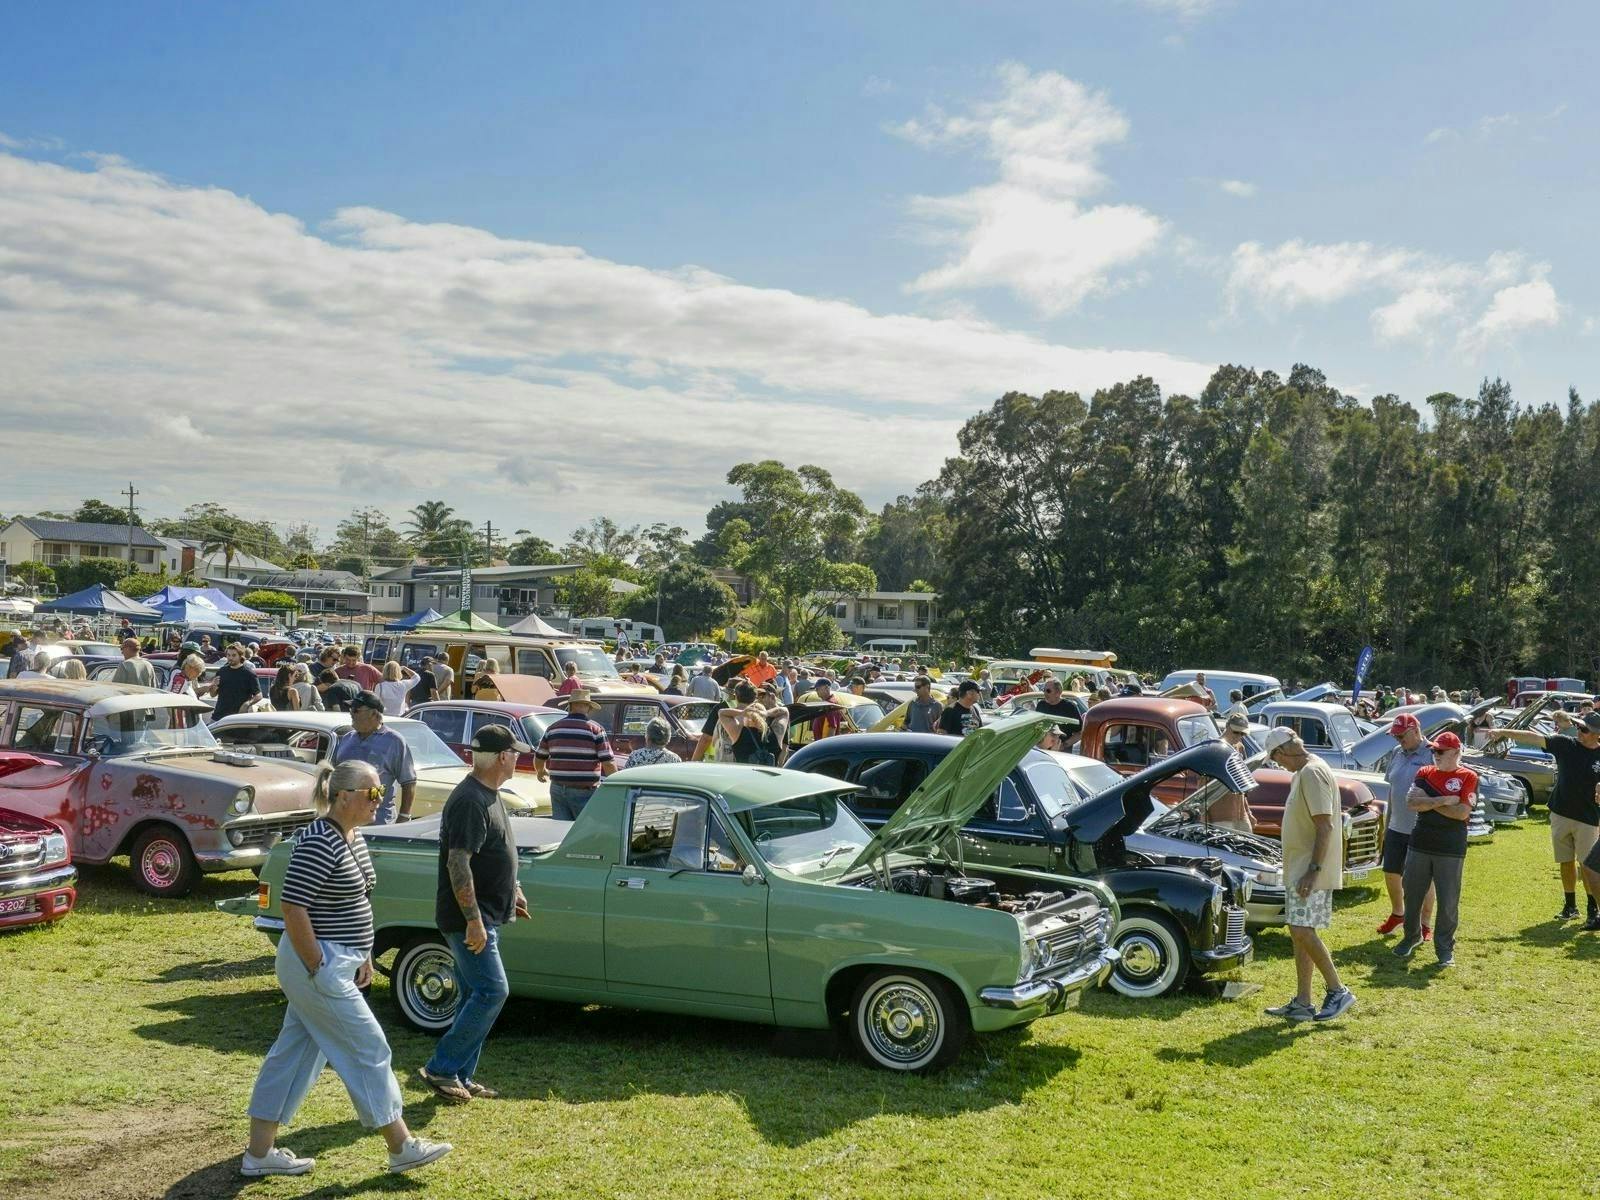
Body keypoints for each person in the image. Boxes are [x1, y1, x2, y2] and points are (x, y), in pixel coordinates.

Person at [242, 760, 452, 1178]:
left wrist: (364, 954)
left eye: (381, 791)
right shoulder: (320, 839)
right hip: (317, 962)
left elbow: (355, 903)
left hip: (337, 960)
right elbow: (292, 905)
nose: (381, 799)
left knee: (294, 1053)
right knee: (369, 1048)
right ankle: (400, 1145)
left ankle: (259, 1154)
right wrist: (318, 964)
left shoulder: (351, 836)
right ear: (343, 796)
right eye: (372, 792)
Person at [418, 725, 527, 1106]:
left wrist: (512, 890)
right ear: (501, 757)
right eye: (514, 752)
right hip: (468, 919)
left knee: (471, 994)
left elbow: (493, 852)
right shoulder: (469, 801)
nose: (518, 757)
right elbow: (458, 862)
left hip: (485, 914)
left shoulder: (489, 794)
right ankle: (442, 1067)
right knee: (492, 990)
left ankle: (461, 1075)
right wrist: (474, 920)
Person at [1261, 727, 1355, 1022]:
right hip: (1300, 867)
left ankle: (1338, 990)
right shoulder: (1304, 771)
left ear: (1285, 750)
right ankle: (1303, 1002)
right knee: (1298, 931)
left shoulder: (1312, 772)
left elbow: (1325, 826)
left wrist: (1313, 871)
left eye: (1276, 758)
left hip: (1309, 871)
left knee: (1303, 930)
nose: (1278, 764)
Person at [1492, 708, 1600, 927]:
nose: (1578, 731)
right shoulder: (1565, 744)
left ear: (1598, 734)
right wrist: (1504, 731)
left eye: (1584, 729)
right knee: (1565, 860)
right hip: (1560, 812)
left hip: (1589, 817)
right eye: (1578, 726)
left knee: (1588, 865)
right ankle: (1570, 906)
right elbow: (1533, 738)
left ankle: (1593, 908)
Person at [1393, 731, 1475, 967]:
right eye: (1433, 751)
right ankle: (1411, 936)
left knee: (1448, 900)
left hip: (1451, 846)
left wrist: (1428, 801)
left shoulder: (1468, 776)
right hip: (1421, 842)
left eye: (1441, 751)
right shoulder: (1425, 772)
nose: (1435, 755)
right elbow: (1411, 803)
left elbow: (1462, 813)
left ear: (1456, 752)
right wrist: (1445, 799)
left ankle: (1444, 947)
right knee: (1412, 893)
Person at [1376, 713, 1436, 938]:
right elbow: (1392, 790)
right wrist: (1387, 822)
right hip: (1396, 826)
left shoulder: (1432, 753)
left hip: (1421, 828)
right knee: (1391, 871)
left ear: (1416, 730)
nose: (1398, 739)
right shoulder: (1396, 753)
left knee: (1423, 878)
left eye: (1401, 735)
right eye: (1395, 736)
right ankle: (1398, 913)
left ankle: (1425, 923)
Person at [332, 692, 417, 824]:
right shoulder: (347, 738)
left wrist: (404, 816)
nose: (351, 713)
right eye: (350, 709)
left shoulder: (394, 741)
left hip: (379, 822)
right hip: (345, 821)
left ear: (373, 714)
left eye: (356, 710)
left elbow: (409, 782)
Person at [534, 689, 616, 819]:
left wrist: (540, 771)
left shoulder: (553, 728)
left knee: (561, 830)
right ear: (589, 708)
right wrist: (615, 786)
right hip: (584, 791)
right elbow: (608, 763)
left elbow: (540, 756)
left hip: (558, 789)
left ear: (570, 706)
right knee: (584, 831)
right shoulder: (596, 730)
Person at [1207, 711, 1258, 832]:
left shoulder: (1240, 747)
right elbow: (1204, 787)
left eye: (1242, 733)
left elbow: (1242, 785)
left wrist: (1248, 811)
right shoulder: (1213, 749)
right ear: (1227, 727)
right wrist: (1205, 818)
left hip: (1240, 812)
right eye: (1236, 731)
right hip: (1221, 813)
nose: (1239, 736)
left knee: (1248, 842)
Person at [718, 682, 774, 764]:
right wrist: (767, 713)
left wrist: (742, 712)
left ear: (736, 697)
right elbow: (785, 712)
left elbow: (721, 712)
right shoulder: (769, 727)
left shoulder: (734, 724)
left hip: (732, 767)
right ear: (755, 698)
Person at [212, 643, 260, 721]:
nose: (230, 658)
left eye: (234, 655)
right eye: (228, 655)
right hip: (219, 716)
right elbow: (212, 694)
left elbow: (259, 695)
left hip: (238, 718)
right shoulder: (222, 671)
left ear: (240, 656)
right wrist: (214, 686)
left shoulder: (249, 673)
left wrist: (247, 703)